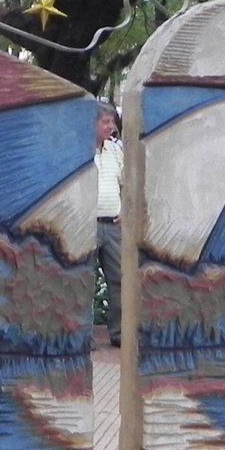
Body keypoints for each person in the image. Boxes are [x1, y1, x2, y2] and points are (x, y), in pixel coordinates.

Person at [94, 103, 124, 348]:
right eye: (106, 122)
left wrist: (125, 208)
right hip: (88, 225)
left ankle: (119, 334)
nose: (111, 127)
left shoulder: (115, 151)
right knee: (83, 280)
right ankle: (83, 336)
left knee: (120, 279)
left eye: (112, 122)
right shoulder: (81, 151)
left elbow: (128, 182)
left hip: (113, 225)